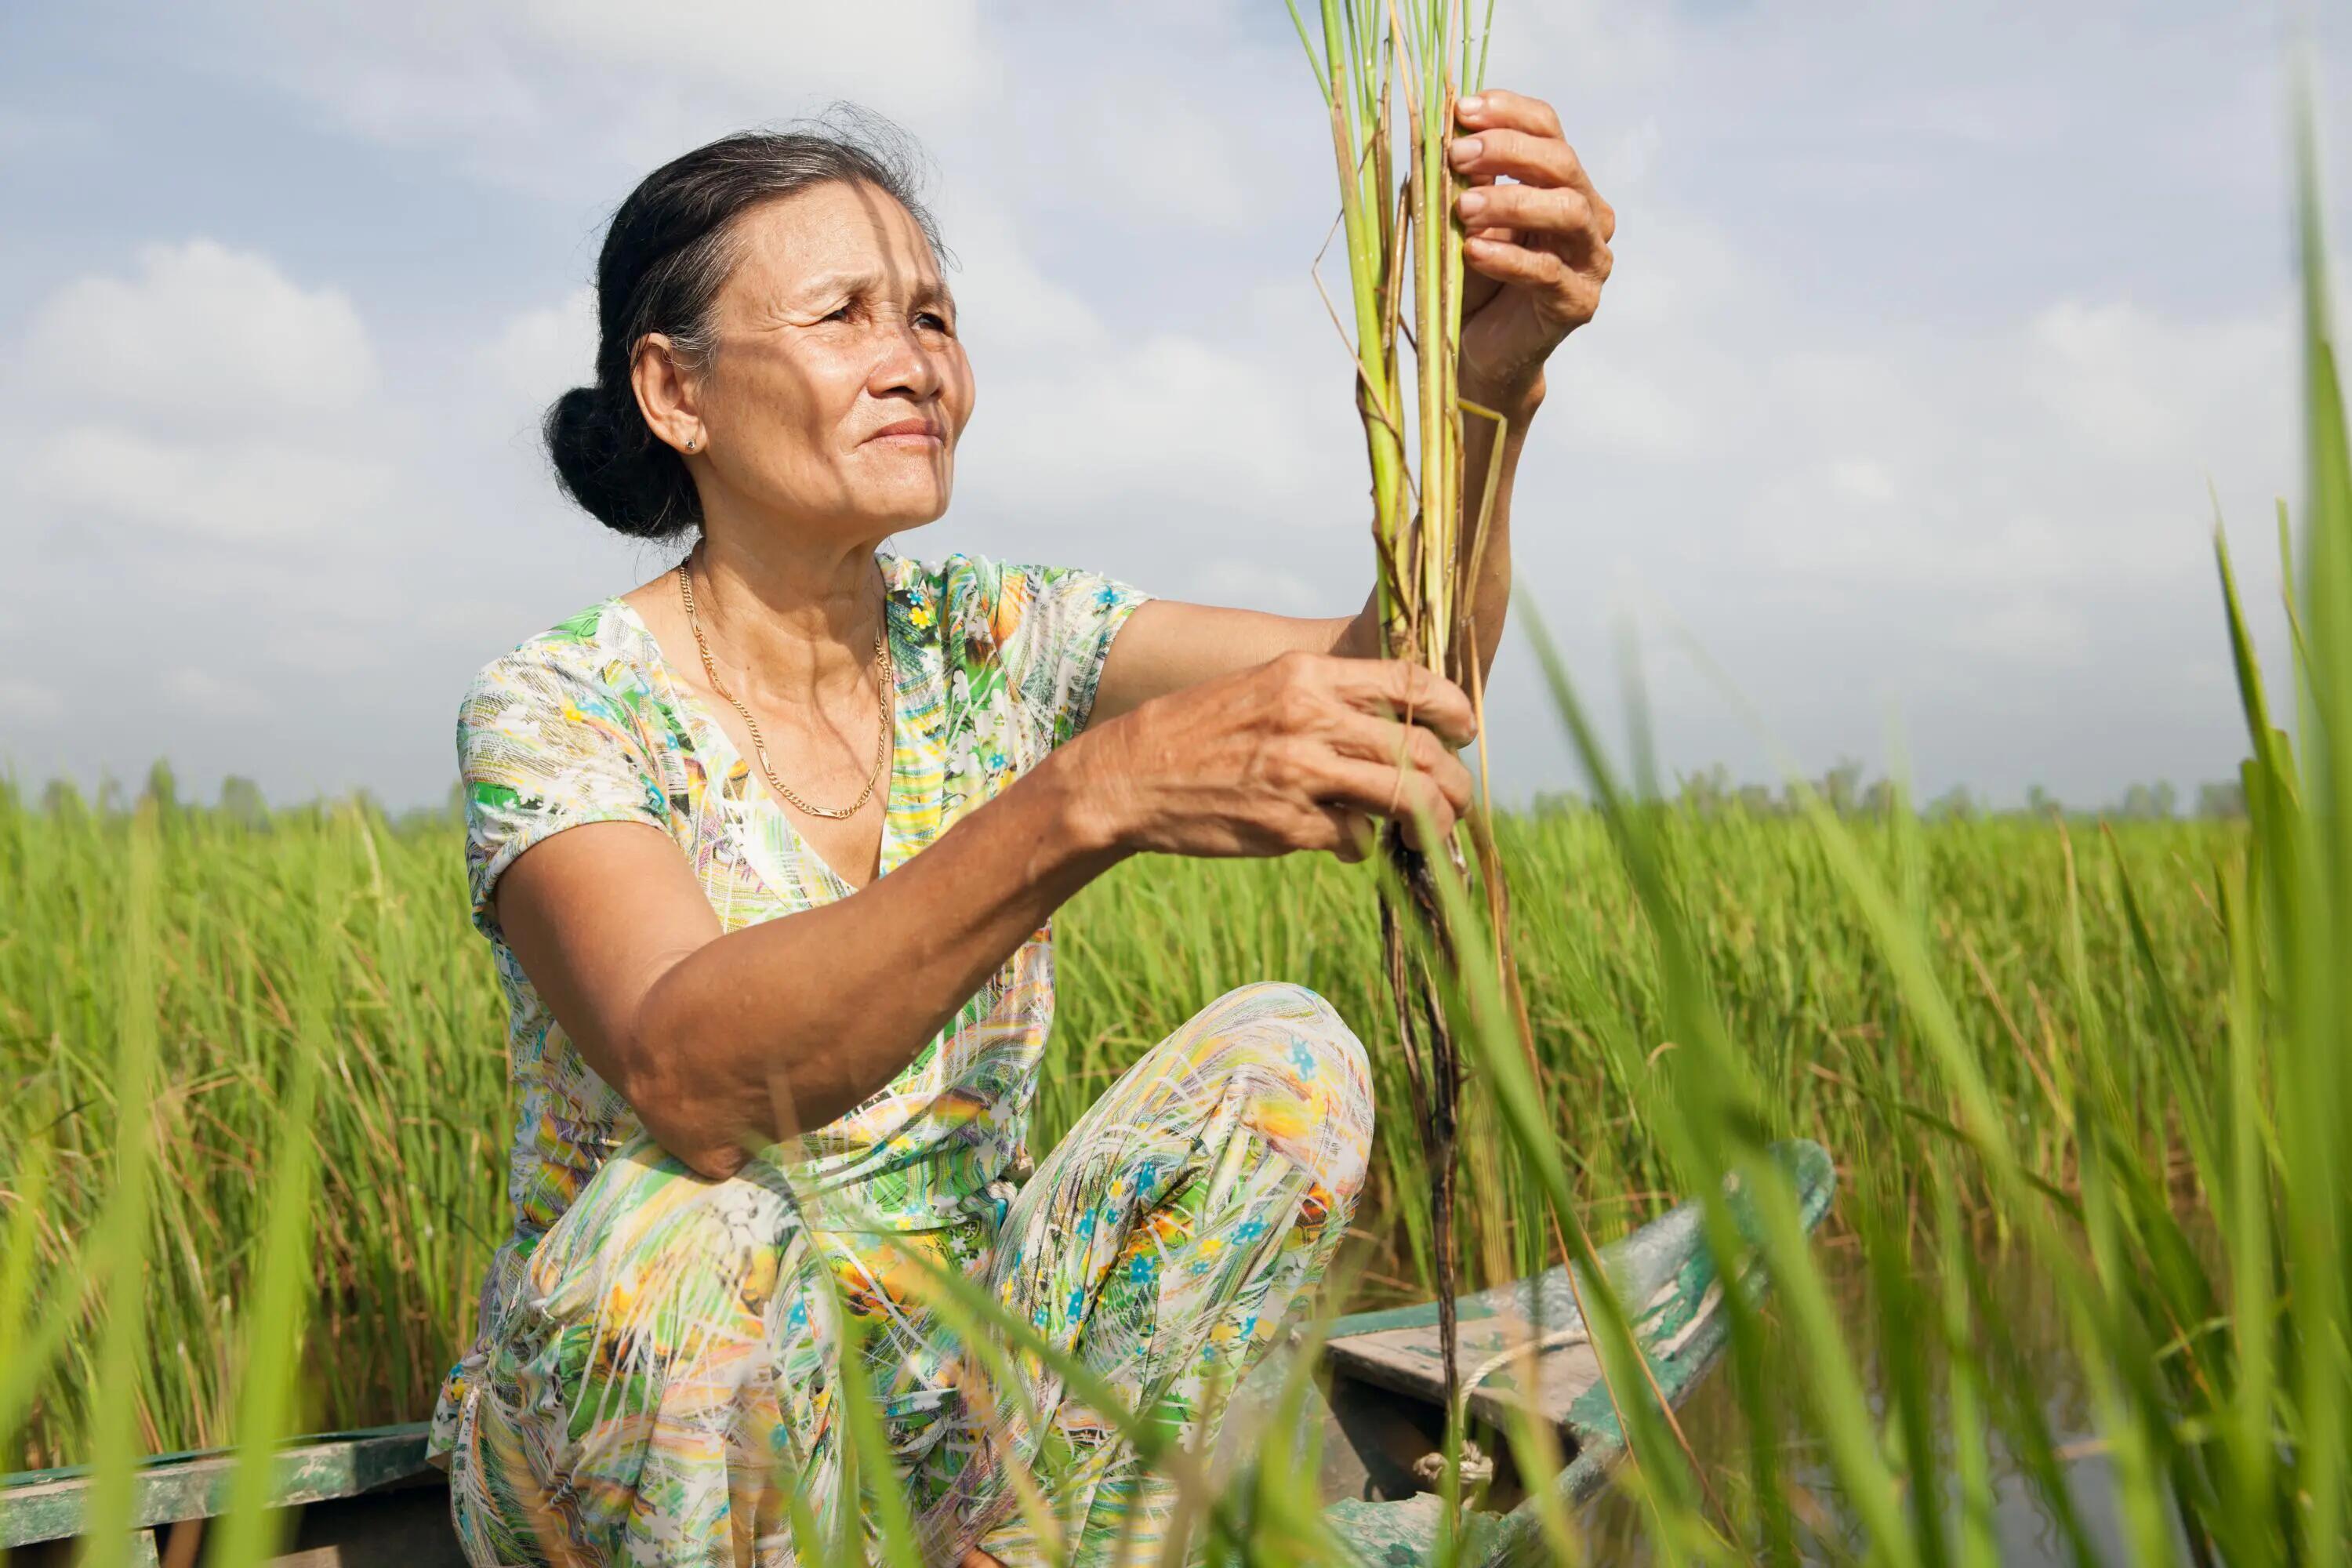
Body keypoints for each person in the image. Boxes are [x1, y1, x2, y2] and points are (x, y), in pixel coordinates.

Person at [426, 94, 1613, 1568]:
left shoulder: (997, 636)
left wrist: (1487, 400)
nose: (911, 364)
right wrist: (1087, 799)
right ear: (677, 393)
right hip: (645, 1440)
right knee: (696, 1229)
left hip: (947, 1419)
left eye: (931, 317)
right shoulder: (561, 703)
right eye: (844, 315)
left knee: (1289, 1059)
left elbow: (1407, 684)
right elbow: (692, 1075)